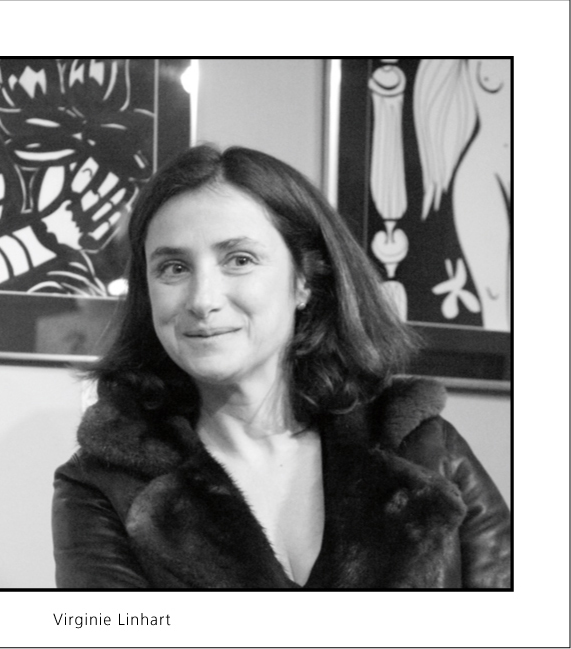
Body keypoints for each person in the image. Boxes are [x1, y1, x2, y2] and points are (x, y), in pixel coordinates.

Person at [52, 145, 511, 588]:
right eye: (173, 267)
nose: (202, 300)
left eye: (239, 260)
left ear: (304, 281)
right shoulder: (102, 486)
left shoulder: (422, 445)